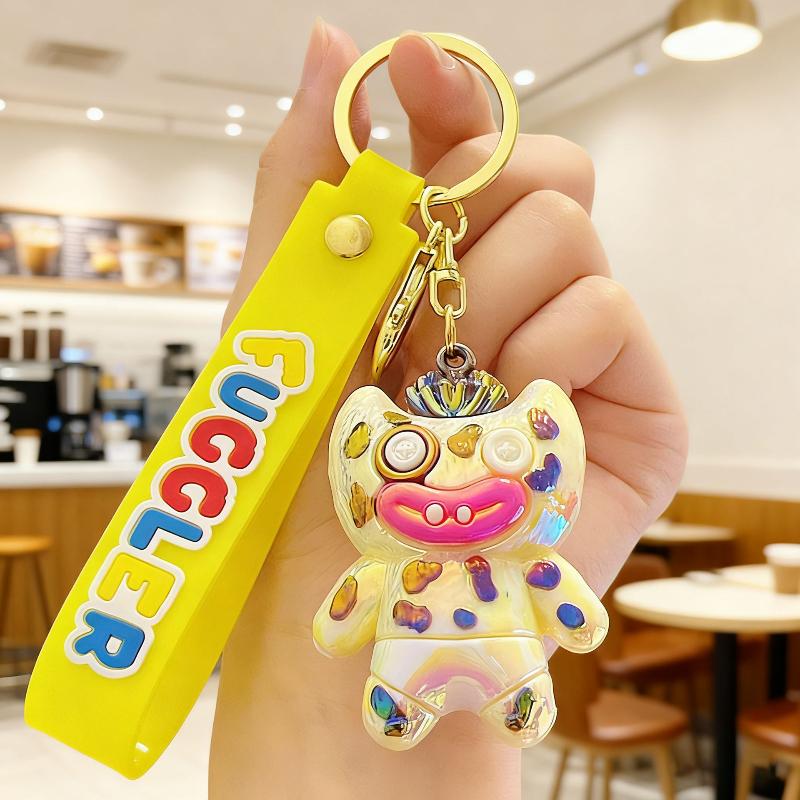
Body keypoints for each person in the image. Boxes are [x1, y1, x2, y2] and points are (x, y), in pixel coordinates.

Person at [210, 21, 687, 799]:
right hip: (400, 662)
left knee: (511, 689)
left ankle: (504, 698)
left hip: (505, 656)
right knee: (398, 692)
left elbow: (566, 602)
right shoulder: (387, 558)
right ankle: (401, 706)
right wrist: (312, 690)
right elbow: (342, 616)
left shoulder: (524, 551)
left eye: (501, 452)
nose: (450, 486)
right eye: (407, 456)